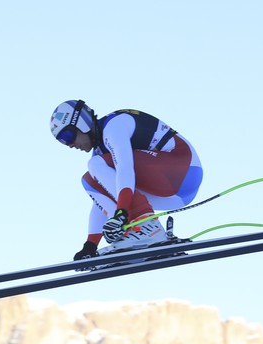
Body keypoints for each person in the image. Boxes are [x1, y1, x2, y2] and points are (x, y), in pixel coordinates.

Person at [49, 100, 204, 260]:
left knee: (96, 165)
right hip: (172, 195)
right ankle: (134, 233)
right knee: (89, 181)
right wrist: (90, 245)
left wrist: (122, 212)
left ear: (82, 123)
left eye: (68, 136)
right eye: (62, 141)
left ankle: (148, 227)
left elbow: (125, 168)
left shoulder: (114, 126)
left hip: (183, 170)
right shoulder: (99, 153)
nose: (70, 144)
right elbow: (100, 201)